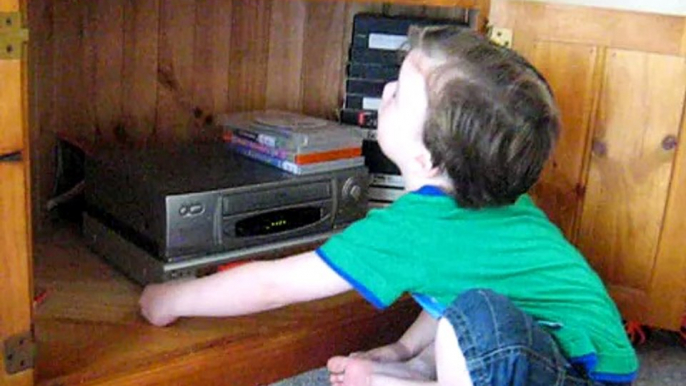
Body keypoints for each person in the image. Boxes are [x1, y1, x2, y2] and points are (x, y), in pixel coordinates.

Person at [140, 25, 638, 386]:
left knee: (478, 318)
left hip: (575, 374)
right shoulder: (496, 198)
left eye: (399, 94)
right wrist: (404, 348)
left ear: (425, 156)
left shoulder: (413, 230)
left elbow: (273, 285)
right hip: (582, 357)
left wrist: (174, 299)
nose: (384, 92)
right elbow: (452, 281)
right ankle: (415, 368)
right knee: (474, 310)